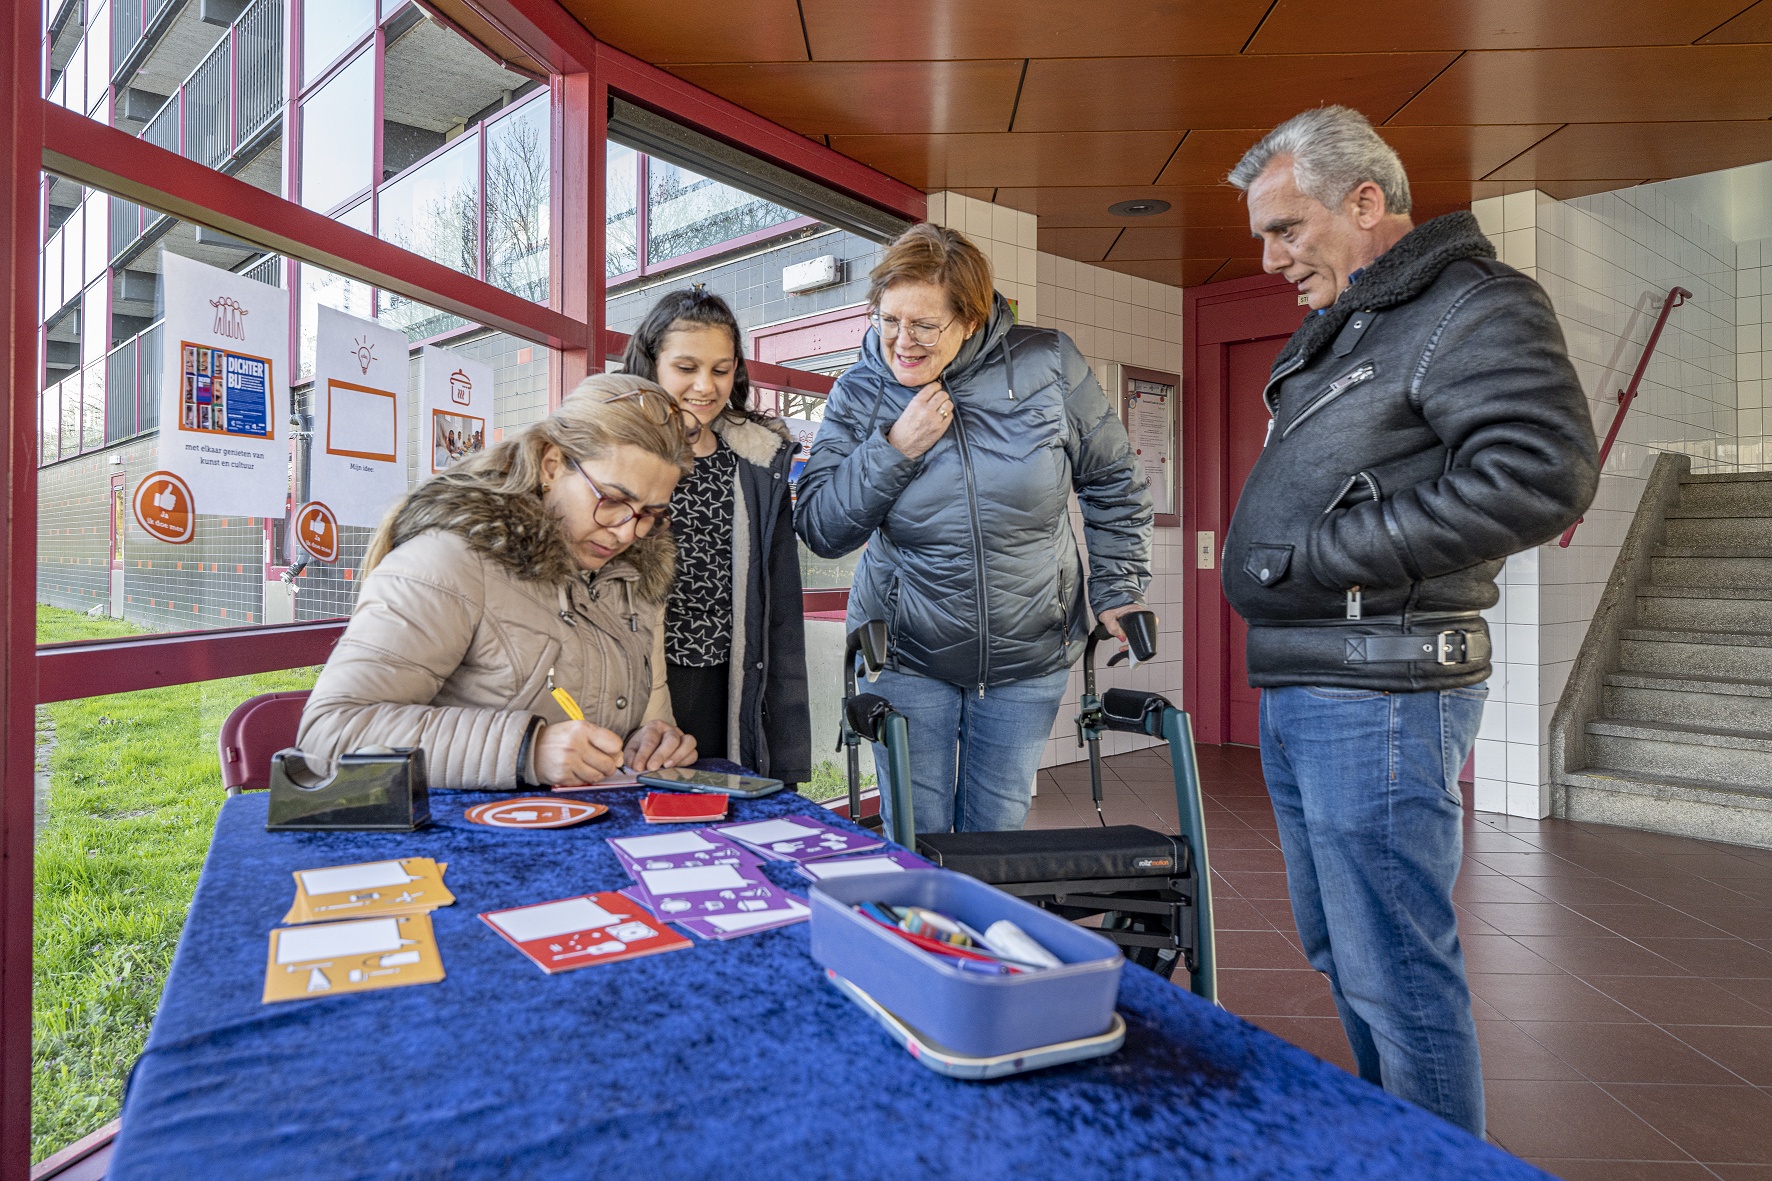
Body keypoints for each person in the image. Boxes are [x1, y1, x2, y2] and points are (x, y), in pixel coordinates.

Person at [1222, 106, 1599, 1136]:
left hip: (1380, 684)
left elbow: (1539, 474)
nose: (1270, 258)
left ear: (1363, 201)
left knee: (1393, 969)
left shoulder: (1468, 303)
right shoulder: (1364, 321)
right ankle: (1393, 1140)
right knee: (1343, 952)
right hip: (1311, 674)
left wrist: (1322, 553)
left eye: (1285, 228)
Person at [795, 224, 1152, 834]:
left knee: (997, 834)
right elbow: (821, 527)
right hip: (904, 651)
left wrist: (1118, 589)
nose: (901, 342)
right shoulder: (858, 391)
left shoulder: (1047, 362)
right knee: (918, 833)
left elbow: (1114, 480)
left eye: (923, 325)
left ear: (970, 319)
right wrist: (894, 449)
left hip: (1029, 648)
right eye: (888, 320)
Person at [295, 373, 701, 789]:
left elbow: (641, 719)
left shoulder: (635, 575)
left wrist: (651, 740)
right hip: (451, 828)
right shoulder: (448, 561)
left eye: (651, 513)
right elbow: (332, 733)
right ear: (552, 464)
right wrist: (528, 750)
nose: (627, 532)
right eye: (612, 500)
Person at [620, 288, 811, 789]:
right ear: (651, 363)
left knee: (728, 809)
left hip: (735, 678)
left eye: (721, 370)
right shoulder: (616, 453)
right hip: (637, 677)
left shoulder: (757, 459)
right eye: (686, 367)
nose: (705, 386)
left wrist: (786, 742)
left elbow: (780, 607)